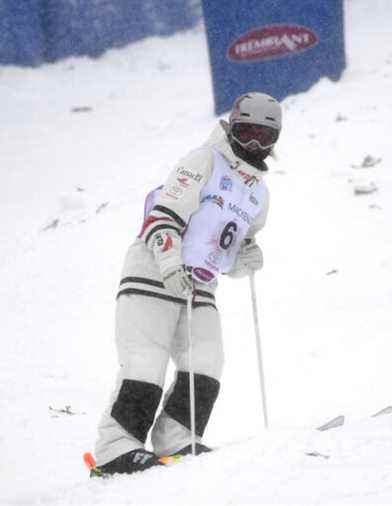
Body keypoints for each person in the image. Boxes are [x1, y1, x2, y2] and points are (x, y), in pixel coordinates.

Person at [91, 92, 281, 475]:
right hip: (153, 271)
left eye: (264, 135)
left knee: (207, 359)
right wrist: (169, 262)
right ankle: (116, 447)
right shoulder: (204, 160)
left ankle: (177, 435)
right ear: (231, 127)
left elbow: (232, 249)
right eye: (246, 132)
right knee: (147, 358)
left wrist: (245, 261)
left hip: (201, 285)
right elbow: (163, 215)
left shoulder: (258, 193)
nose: (254, 144)